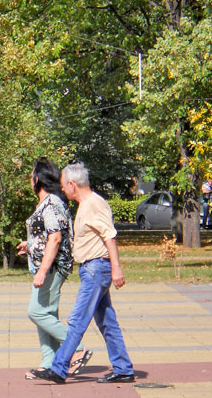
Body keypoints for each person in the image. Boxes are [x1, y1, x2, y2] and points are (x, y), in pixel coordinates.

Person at [34, 163, 134, 384]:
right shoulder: (86, 205)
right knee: (107, 322)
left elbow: (110, 236)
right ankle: (123, 368)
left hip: (96, 269)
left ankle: (59, 368)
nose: (62, 189)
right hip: (92, 269)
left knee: (77, 319)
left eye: (63, 185)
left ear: (72, 184)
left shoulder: (94, 204)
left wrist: (116, 268)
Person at [17, 158, 92, 379]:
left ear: (37, 179)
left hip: (51, 268)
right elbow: (48, 235)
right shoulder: (50, 202)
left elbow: (56, 237)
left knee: (36, 312)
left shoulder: (50, 203)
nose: (29, 180)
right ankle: (49, 363)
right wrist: (30, 244)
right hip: (49, 266)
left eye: (31, 176)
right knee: (46, 314)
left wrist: (42, 271)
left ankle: (76, 348)